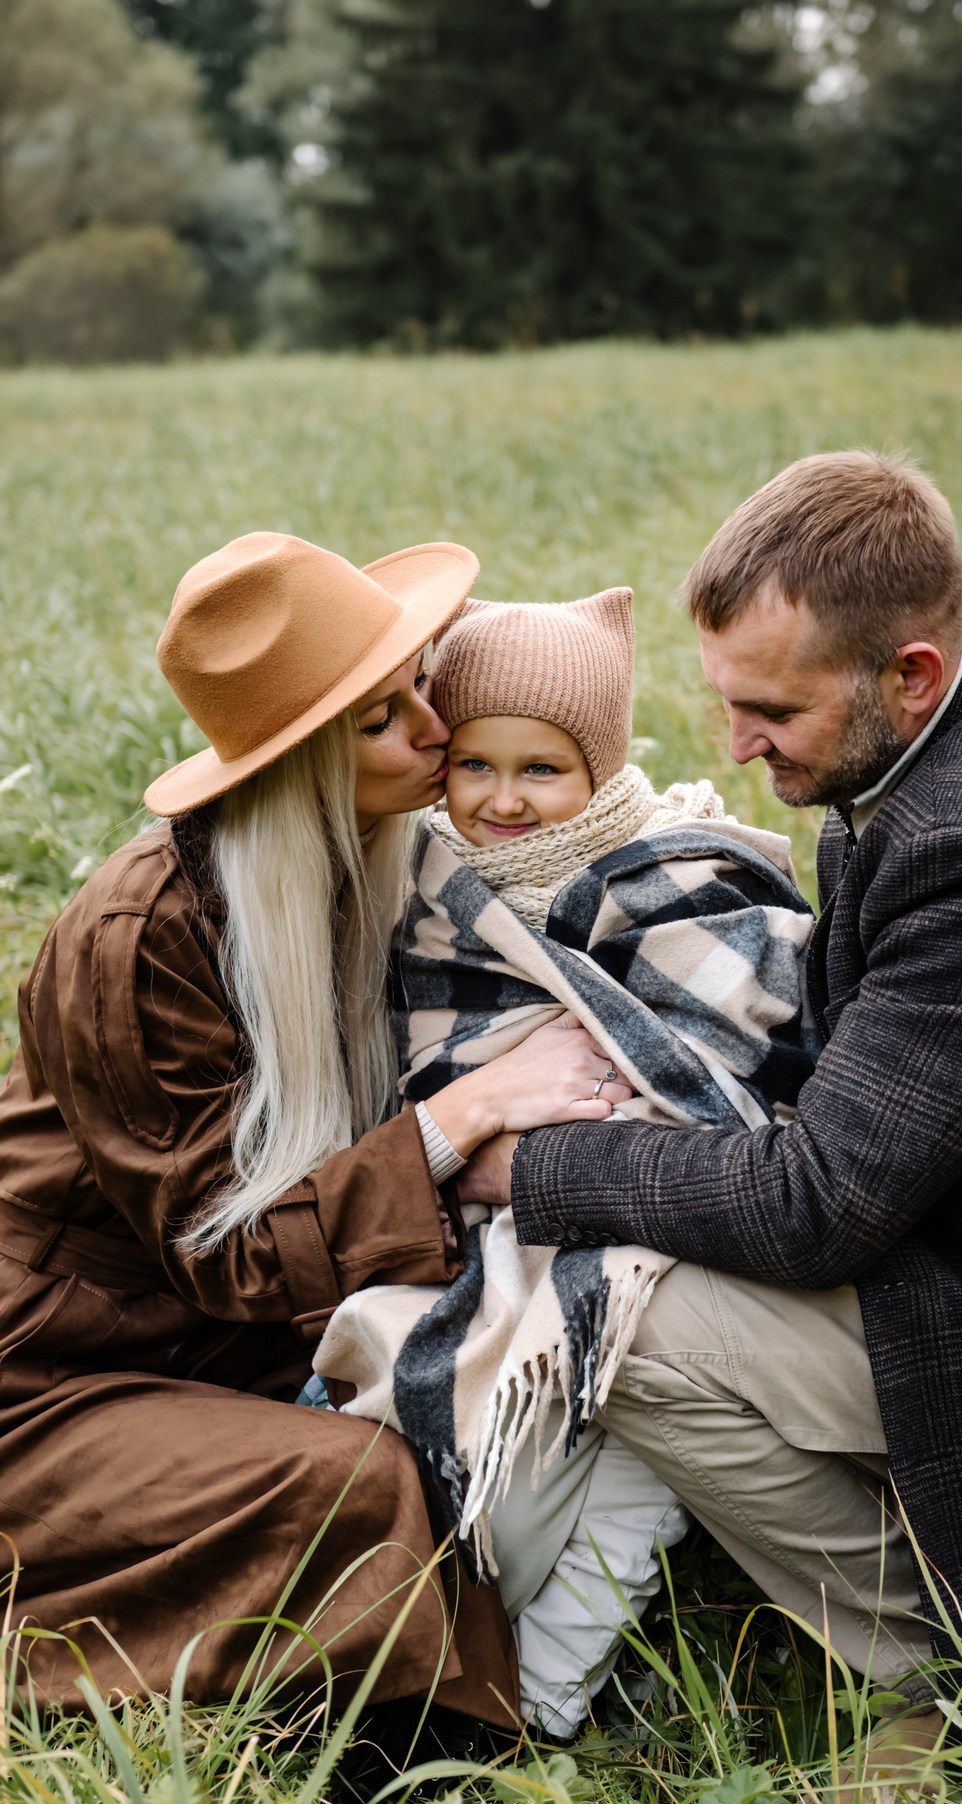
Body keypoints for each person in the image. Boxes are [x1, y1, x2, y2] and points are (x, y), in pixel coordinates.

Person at [458, 451, 962, 1723]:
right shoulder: (933, 750)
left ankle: (952, 1667)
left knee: (618, 1330)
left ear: (907, 675)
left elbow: (819, 1206)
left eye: (772, 713)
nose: (737, 746)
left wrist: (522, 1165)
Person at [0, 530, 632, 1750]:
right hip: (54, 1366)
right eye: (380, 718)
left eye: (416, 688)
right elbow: (223, 1251)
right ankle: (460, 1750)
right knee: (356, 1485)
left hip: (222, 1338)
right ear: (298, 764)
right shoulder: (141, 939)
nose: (432, 731)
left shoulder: (374, 861)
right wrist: (468, 1111)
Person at [316, 584, 819, 1734]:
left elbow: (753, 1055)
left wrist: (620, 1091)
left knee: (635, 1415)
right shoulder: (427, 888)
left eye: (540, 769)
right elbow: (426, 1059)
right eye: (474, 764)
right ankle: (489, 1655)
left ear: (597, 767)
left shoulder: (678, 871)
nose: (501, 800)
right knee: (507, 1453)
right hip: (489, 1229)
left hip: (658, 1216)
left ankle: (545, 1696)